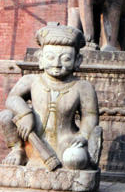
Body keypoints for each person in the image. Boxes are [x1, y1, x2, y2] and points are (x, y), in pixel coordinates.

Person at [0, 21, 101, 170]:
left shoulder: (83, 87)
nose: (57, 64)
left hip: (67, 142)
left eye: (66, 59)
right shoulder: (31, 80)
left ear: (77, 61)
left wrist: (83, 135)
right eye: (50, 57)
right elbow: (12, 98)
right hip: (32, 140)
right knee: (6, 116)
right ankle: (18, 150)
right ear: (40, 59)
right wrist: (25, 114)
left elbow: (90, 116)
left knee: (75, 160)